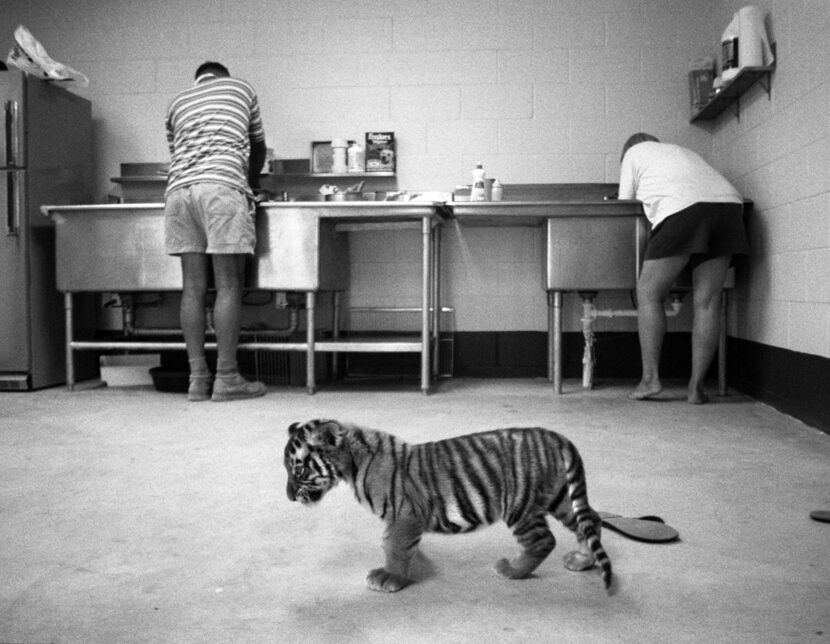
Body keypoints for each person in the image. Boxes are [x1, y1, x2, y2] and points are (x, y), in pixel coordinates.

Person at [618, 133, 750, 404]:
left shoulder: (634, 153)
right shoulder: (682, 151)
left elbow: (624, 203)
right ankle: (696, 387)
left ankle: (650, 380)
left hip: (683, 208)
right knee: (709, 302)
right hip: (730, 207)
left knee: (649, 294)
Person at [164, 61, 268, 402]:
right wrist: (251, 186)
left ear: (198, 79)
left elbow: (178, 153)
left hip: (179, 193)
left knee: (192, 287)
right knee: (228, 284)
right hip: (221, 188)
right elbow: (257, 149)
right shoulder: (241, 88)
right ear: (223, 75)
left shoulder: (177, 102)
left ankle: (197, 379)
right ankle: (226, 377)